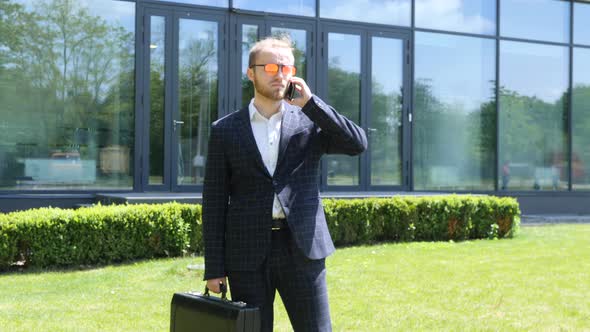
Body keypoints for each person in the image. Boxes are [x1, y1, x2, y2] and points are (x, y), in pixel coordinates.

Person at [202, 36, 367, 332]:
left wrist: (312, 104)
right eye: (270, 66)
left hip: (302, 249)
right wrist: (214, 268)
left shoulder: (309, 121)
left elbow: (357, 143)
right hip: (247, 254)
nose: (279, 73)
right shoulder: (225, 130)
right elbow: (214, 202)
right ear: (251, 72)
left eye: (286, 67)